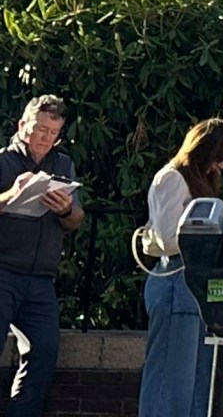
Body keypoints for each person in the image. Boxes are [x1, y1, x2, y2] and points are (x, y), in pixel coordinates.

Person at [140, 118, 223, 417]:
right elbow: (169, 238)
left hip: (196, 281)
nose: (221, 166)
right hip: (176, 277)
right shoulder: (172, 179)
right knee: (171, 377)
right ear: (204, 151)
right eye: (219, 158)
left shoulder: (197, 181)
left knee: (196, 378)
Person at [0, 94, 82, 417]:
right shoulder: (3, 162)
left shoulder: (62, 164)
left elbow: (77, 219)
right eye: (41, 130)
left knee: (44, 352)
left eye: (53, 133)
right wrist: (11, 194)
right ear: (23, 126)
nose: (46, 139)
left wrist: (66, 210)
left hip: (40, 280)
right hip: (3, 271)